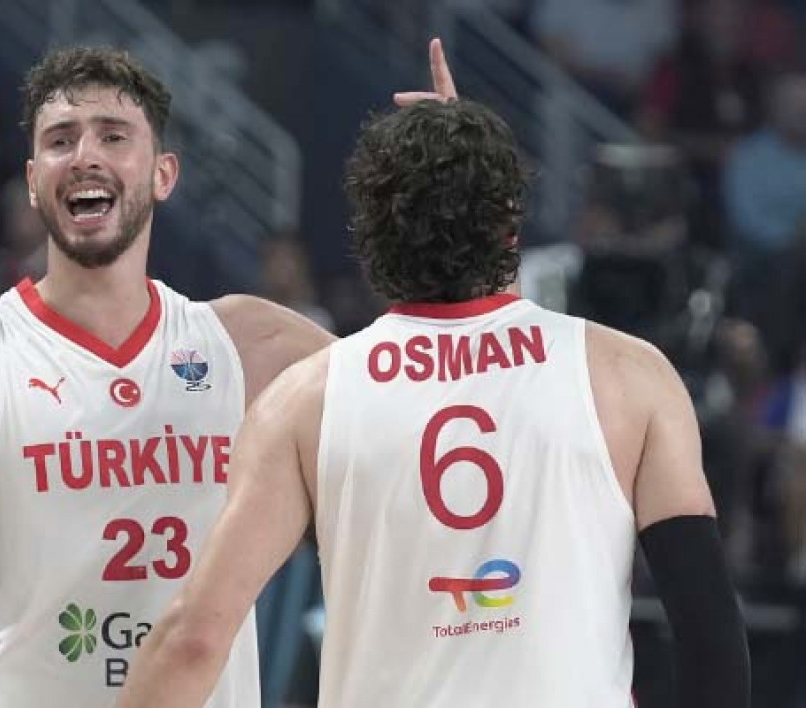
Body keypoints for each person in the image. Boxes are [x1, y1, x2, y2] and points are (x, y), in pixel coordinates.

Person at [0, 8, 455, 705]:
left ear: (163, 174)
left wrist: (456, 193)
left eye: (113, 136)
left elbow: (434, 412)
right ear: (33, 183)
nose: (85, 155)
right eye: (60, 140)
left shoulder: (251, 348)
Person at [118, 99, 751, 706]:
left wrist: (443, 167)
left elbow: (195, 641)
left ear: (370, 234)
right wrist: (467, 164)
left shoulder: (304, 400)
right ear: (509, 221)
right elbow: (711, 634)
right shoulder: (629, 374)